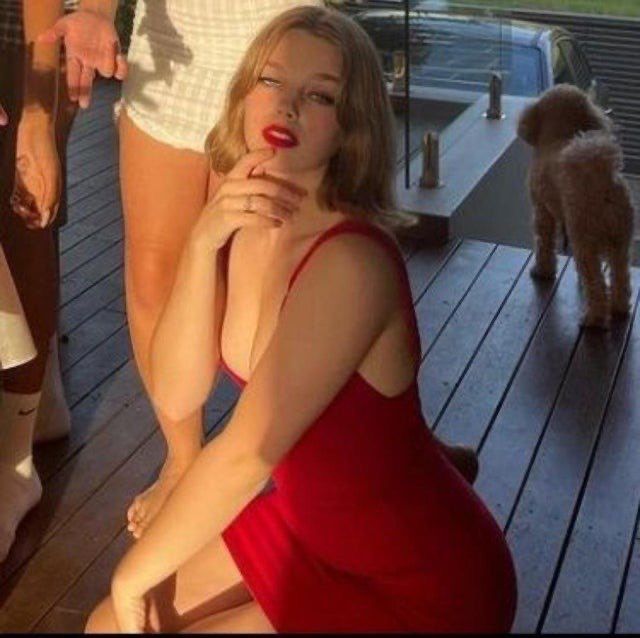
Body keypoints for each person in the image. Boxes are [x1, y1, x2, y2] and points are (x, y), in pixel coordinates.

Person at [85, 6, 517, 632]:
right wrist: (203, 242)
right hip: (310, 531)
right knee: (105, 628)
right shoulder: (241, 226)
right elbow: (177, 392)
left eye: (320, 95)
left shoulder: (350, 261)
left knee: (135, 604)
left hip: (418, 581)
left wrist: (131, 576)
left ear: (351, 127)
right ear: (241, 95)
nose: (286, 106)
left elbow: (245, 455)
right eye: (270, 81)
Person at [0, 0, 79, 562]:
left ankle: (15, 461)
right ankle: (38, 394)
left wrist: (36, 107)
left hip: (35, 28)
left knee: (24, 210)